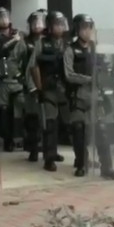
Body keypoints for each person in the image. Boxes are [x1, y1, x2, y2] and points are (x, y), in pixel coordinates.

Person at [64, 14, 114, 179]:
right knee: (79, 130)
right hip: (78, 96)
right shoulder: (70, 50)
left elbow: (106, 68)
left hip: (96, 96)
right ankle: (81, 164)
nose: (87, 31)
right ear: (77, 30)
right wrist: (88, 79)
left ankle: (107, 167)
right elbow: (69, 74)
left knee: (101, 132)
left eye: (89, 28)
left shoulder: (96, 49)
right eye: (83, 28)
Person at [27, 11, 69, 171]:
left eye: (62, 24)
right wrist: (38, 88)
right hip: (48, 88)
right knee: (49, 123)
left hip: (64, 88)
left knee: (68, 123)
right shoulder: (41, 43)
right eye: (57, 25)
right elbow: (33, 66)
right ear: (50, 27)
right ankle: (49, 158)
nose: (60, 28)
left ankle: (77, 156)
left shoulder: (66, 44)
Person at [0, 7, 29, 152]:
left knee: (24, 107)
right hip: (2, 80)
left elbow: (26, 55)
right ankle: (7, 141)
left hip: (17, 79)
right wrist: (12, 41)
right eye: (0, 16)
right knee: (4, 112)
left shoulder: (19, 35)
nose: (3, 19)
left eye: (6, 16)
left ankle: (26, 139)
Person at [22, 10, 46, 162]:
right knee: (32, 120)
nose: (38, 25)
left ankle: (49, 150)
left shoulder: (48, 41)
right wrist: (24, 82)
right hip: (30, 86)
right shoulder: (24, 42)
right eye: (34, 22)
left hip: (46, 85)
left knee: (47, 121)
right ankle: (33, 149)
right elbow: (16, 62)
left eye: (40, 22)